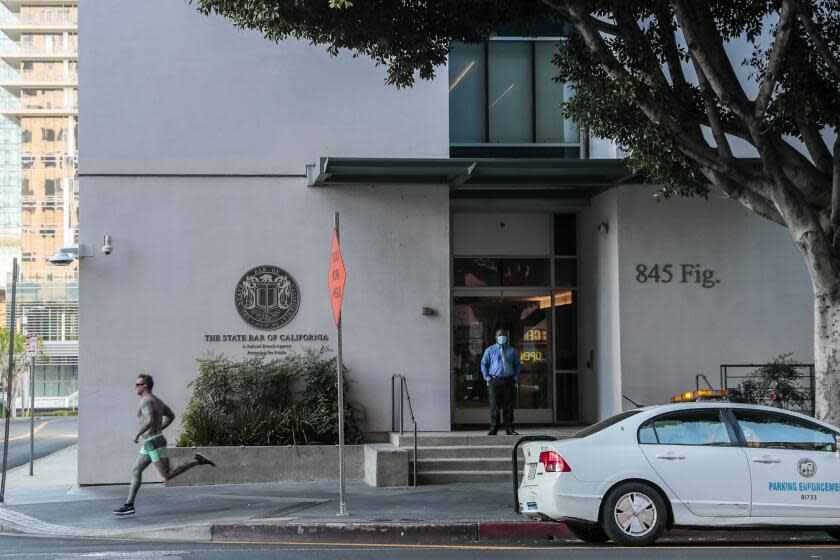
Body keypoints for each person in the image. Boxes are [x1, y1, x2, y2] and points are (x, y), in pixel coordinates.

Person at [113, 374, 216, 516]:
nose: (135, 387)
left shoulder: (146, 400)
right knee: (136, 471)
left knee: (167, 475)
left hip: (154, 443)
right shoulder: (157, 401)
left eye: (138, 384)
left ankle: (197, 461)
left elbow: (149, 420)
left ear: (145, 386)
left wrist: (138, 434)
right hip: (151, 441)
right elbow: (171, 416)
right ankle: (129, 504)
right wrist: (159, 429)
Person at [480, 329, 521, 435]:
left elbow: (517, 365)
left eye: (503, 335)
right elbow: (483, 365)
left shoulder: (512, 350)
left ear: (506, 337)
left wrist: (515, 376)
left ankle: (510, 429)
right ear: (496, 337)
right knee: (494, 406)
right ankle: (493, 428)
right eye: (499, 335)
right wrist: (488, 378)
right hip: (494, 381)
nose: (501, 336)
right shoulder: (490, 350)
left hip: (508, 381)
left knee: (508, 406)